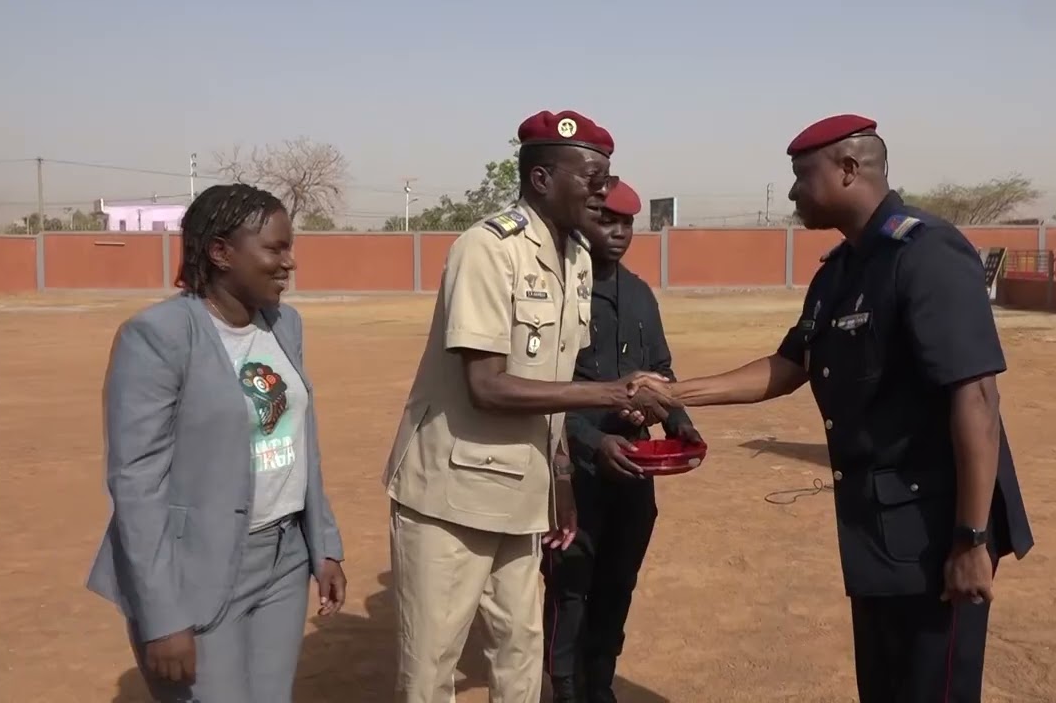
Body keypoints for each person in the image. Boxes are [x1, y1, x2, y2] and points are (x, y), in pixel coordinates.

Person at [664, 114, 1034, 702]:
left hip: (936, 533)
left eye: (800, 176)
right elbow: (789, 366)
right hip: (878, 529)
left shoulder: (927, 253)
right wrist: (674, 393)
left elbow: (978, 397)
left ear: (848, 169)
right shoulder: (841, 270)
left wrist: (971, 540)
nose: (791, 193)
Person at [381, 110, 676, 703]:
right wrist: (612, 391)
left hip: (524, 495)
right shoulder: (488, 250)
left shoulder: (577, 263)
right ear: (542, 179)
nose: (603, 189)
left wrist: (561, 479)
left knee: (519, 656)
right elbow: (488, 387)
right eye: (591, 177)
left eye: (607, 176)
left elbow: (553, 385)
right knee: (432, 666)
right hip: (452, 497)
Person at [86, 182, 348, 703]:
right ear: (221, 252)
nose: (289, 262)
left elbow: (298, 442)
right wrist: (163, 616)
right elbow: (136, 483)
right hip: (197, 569)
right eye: (274, 248)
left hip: (283, 562)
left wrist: (325, 545)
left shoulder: (284, 325)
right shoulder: (158, 337)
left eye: (288, 247)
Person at [541, 180, 703, 703]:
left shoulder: (639, 294)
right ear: (582, 219)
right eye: (606, 220)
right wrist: (591, 442)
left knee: (616, 587)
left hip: (634, 472)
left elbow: (660, 373)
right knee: (569, 590)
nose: (617, 232)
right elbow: (542, 391)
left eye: (626, 223)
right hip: (574, 477)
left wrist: (679, 423)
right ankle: (564, 689)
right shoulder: (557, 292)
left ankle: (600, 685)